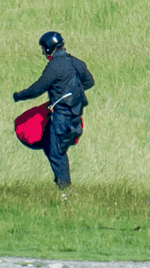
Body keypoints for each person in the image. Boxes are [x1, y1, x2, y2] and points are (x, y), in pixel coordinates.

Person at [12, 31, 94, 191]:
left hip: (62, 116)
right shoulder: (76, 62)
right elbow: (89, 81)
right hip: (76, 115)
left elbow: (37, 89)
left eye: (43, 49)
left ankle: (65, 192)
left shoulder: (55, 66)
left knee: (57, 152)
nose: (43, 52)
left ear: (49, 48)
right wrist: (73, 91)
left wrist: (19, 95)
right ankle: (61, 185)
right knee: (51, 146)